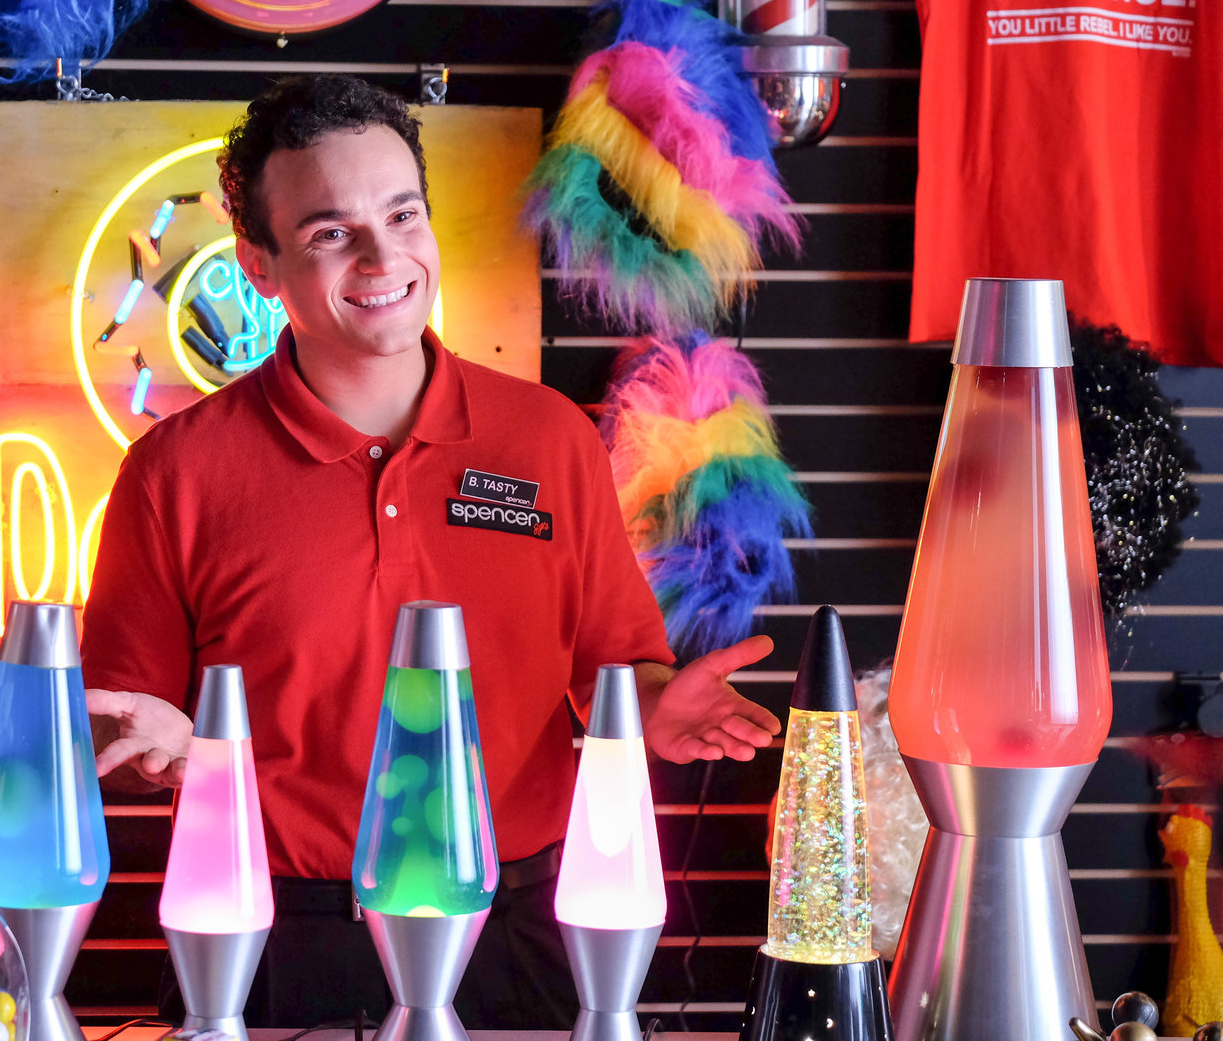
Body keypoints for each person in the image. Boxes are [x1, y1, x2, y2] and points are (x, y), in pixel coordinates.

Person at [79, 75, 780, 1028]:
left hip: (521, 935)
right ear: (259, 265)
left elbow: (613, 667)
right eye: (331, 232)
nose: (383, 257)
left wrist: (656, 707)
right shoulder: (174, 471)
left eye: (402, 214)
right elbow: (119, 731)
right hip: (276, 937)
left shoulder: (548, 439)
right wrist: (161, 751)